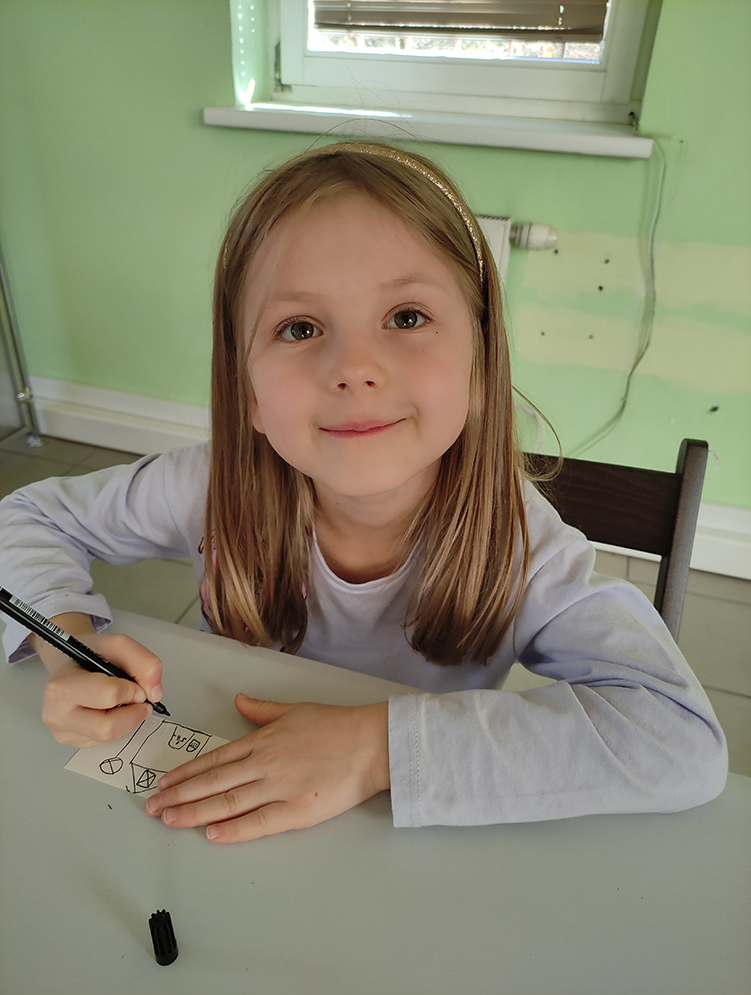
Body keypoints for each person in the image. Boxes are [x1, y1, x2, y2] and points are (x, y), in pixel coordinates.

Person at [0, 142, 727, 843]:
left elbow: (679, 739)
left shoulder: (520, 546)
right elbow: (27, 517)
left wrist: (375, 749)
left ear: (480, 365)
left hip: (404, 831)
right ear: (248, 392)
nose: (353, 367)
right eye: (300, 327)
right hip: (231, 802)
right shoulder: (208, 487)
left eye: (406, 317)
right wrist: (68, 641)